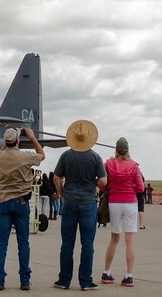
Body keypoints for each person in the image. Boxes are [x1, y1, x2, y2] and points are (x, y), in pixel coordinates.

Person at [53, 120, 107, 292]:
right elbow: (104, 181)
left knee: (67, 243)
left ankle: (64, 280)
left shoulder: (65, 156)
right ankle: (85, 281)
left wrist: (62, 193)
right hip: (88, 203)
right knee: (87, 244)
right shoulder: (95, 157)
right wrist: (94, 182)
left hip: (69, 201)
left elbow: (56, 177)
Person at [0, 126, 45, 292]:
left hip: (4, 203)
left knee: (2, 242)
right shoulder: (24, 157)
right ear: (17, 141)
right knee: (23, 243)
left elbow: (0, 153)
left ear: (5, 141)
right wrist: (31, 137)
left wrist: (10, 139)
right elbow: (42, 155)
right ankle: (24, 280)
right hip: (22, 202)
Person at [100, 137, 145, 287]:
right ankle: (128, 275)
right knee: (130, 239)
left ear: (116, 150)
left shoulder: (109, 164)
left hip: (114, 202)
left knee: (114, 238)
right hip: (130, 202)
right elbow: (140, 188)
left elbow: (102, 184)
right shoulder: (134, 166)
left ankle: (106, 272)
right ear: (127, 150)